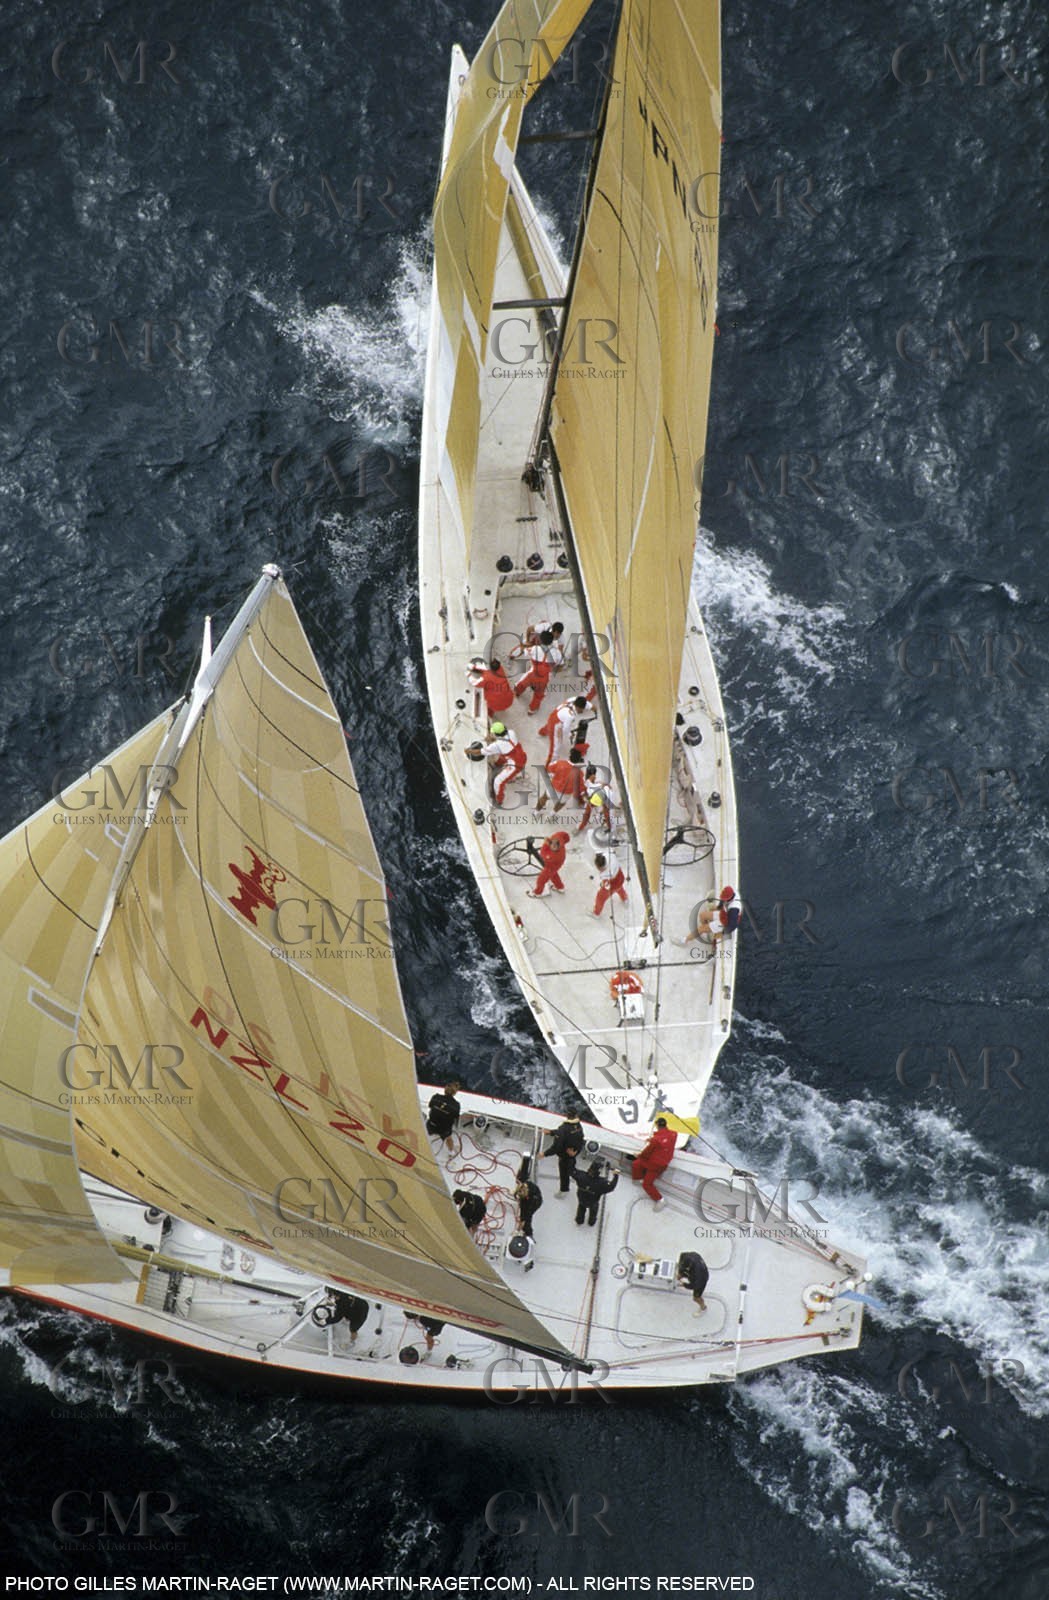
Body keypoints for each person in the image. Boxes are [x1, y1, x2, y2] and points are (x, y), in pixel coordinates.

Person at [631, 1116, 678, 1207]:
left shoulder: (656, 1140)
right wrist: (652, 1139)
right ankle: (640, 1179)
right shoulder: (674, 1134)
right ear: (666, 1125)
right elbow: (664, 1140)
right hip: (663, 1164)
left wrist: (638, 1155)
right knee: (639, 1165)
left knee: (639, 1169)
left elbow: (646, 1153)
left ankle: (660, 1200)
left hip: (654, 1165)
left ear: (657, 1125)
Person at [480, 722, 527, 806]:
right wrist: (493, 739)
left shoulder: (497, 745)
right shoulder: (511, 732)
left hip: (516, 765)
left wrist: (468, 751)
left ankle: (499, 800)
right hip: (521, 756)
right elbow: (503, 742)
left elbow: (482, 752)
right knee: (503, 755)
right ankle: (504, 771)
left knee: (498, 781)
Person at [539, 695, 590, 764]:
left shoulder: (571, 700)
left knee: (549, 725)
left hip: (554, 715)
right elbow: (565, 729)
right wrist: (570, 735)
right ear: (578, 707)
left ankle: (542, 732)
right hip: (556, 725)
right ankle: (549, 764)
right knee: (556, 747)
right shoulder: (570, 716)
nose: (582, 711)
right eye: (582, 709)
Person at [511, 631, 553, 714]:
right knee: (539, 695)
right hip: (544, 678)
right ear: (551, 642)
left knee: (522, 683)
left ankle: (517, 693)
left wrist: (514, 653)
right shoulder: (555, 653)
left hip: (533, 674)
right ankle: (531, 710)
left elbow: (524, 651)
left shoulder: (535, 649)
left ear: (540, 640)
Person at [544, 1111, 585, 1196]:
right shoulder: (578, 1125)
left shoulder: (564, 1128)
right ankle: (584, 1182)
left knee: (565, 1173)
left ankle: (566, 1189)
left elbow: (556, 1147)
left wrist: (544, 1154)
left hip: (564, 1156)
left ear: (567, 1116)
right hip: (572, 1154)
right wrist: (576, 1152)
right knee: (571, 1171)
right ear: (576, 1115)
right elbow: (581, 1139)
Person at [538, 747, 586, 813]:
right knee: (561, 804)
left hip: (554, 788)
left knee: (544, 797)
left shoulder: (560, 763)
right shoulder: (580, 773)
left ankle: (536, 811)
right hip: (565, 793)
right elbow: (581, 787)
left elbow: (548, 769)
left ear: (570, 756)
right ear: (579, 760)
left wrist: (552, 775)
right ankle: (552, 814)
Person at [571, 1160, 619, 1226]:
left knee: (581, 1207)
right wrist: (616, 1175)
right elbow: (611, 1186)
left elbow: (572, 1171)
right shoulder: (601, 1183)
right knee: (593, 1210)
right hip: (593, 1201)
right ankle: (591, 1222)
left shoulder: (581, 1175)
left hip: (581, 1198)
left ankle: (579, 1220)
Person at [528, 830, 570, 898]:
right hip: (556, 864)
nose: (552, 846)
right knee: (554, 875)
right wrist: (549, 841)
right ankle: (560, 887)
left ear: (558, 846)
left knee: (541, 880)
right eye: (552, 843)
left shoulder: (555, 855)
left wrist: (545, 844)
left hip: (551, 866)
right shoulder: (559, 838)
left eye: (554, 846)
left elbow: (543, 853)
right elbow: (564, 835)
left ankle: (537, 893)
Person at [426, 1079, 461, 1148]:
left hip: (430, 1127)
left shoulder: (436, 1097)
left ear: (445, 1088)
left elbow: (430, 1106)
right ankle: (451, 1151)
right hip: (444, 1131)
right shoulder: (456, 1105)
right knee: (449, 1137)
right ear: (455, 1092)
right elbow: (456, 1117)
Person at [592, 849, 627, 917]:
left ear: (601, 867)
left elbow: (607, 887)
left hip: (613, 884)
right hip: (620, 876)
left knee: (600, 897)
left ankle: (596, 913)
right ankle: (625, 898)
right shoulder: (609, 855)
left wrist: (602, 884)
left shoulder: (605, 874)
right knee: (620, 888)